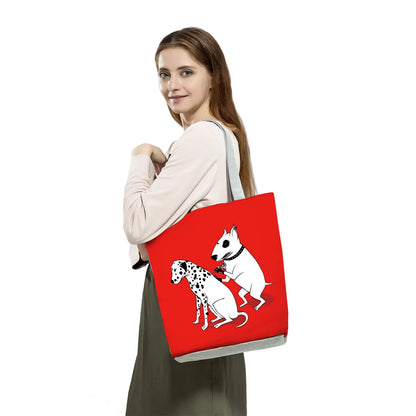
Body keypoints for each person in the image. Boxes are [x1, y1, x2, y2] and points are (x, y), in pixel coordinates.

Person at [123, 26, 257, 416]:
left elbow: (137, 225)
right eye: (164, 74)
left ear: (213, 76)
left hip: (182, 301)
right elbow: (152, 236)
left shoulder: (202, 139)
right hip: (198, 298)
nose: (172, 85)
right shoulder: (222, 136)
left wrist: (140, 157)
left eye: (186, 72)